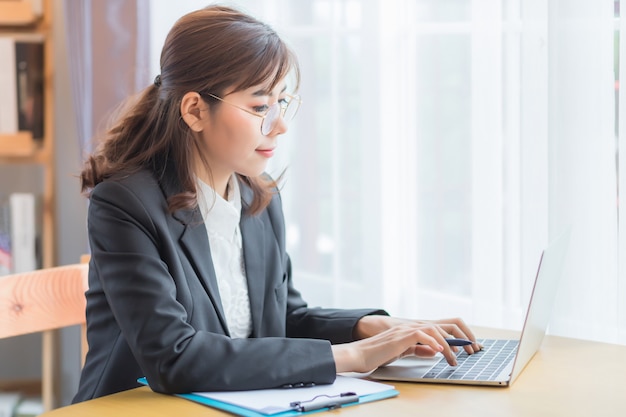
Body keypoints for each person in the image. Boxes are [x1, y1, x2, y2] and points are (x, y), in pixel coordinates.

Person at [73, 5, 481, 403]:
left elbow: (279, 318)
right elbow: (172, 357)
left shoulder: (258, 195)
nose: (280, 124)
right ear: (195, 110)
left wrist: (368, 328)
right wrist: (354, 357)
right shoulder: (125, 204)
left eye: (281, 102)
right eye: (259, 106)